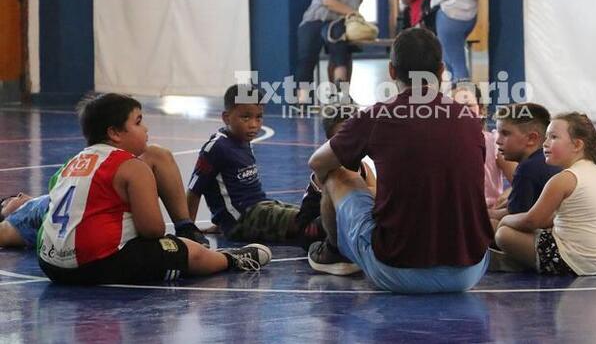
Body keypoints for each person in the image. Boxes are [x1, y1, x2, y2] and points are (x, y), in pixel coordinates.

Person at [307, 28, 493, 293]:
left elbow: (318, 163)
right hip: (470, 269)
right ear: (441, 70)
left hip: (396, 269)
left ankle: (334, 253)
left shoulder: (376, 116)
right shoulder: (469, 119)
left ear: (392, 72)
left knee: (337, 175)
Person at [37, 93, 271, 285]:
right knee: (187, 250)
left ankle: (186, 228)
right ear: (114, 133)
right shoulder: (131, 166)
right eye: (138, 122)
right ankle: (229, 259)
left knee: (157, 156)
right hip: (97, 265)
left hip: (51, 267)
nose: (146, 129)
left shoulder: (70, 164)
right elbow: (152, 230)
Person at [1, 144, 211, 249]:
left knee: (158, 155)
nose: (18, 195)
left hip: (87, 199)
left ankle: (185, 226)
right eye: (7, 201)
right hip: (73, 216)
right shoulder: (23, 215)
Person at [495, 112, 596, 276]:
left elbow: (531, 221)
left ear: (577, 145)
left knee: (504, 234)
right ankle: (523, 259)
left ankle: (519, 261)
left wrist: (505, 220)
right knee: (544, 231)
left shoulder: (564, 179)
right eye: (546, 137)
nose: (545, 143)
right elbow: (552, 219)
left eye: (553, 137)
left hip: (577, 263)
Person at [187, 85, 320, 246]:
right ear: (226, 117)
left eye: (259, 117)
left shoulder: (244, 140)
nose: (253, 125)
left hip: (259, 208)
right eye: (246, 117)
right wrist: (188, 231)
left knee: (312, 215)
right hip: (242, 220)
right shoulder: (217, 147)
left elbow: (231, 192)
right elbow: (194, 191)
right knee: (309, 223)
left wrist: (220, 221)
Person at [296, 105, 376, 274]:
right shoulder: (327, 166)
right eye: (343, 137)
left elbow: (376, 195)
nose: (350, 142)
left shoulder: (364, 167)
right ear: (330, 142)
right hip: (314, 225)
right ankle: (334, 251)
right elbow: (370, 193)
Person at [295, 0, 365, 104]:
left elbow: (350, 16)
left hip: (335, 25)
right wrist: (354, 13)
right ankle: (302, 100)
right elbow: (329, 2)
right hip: (315, 21)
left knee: (341, 53)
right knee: (307, 59)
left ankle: (341, 93)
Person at [490, 103, 561, 230]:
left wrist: (487, 214)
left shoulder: (527, 169)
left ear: (531, 138)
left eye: (505, 134)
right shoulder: (549, 160)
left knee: (494, 226)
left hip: (552, 237)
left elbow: (516, 215)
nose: (498, 140)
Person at [452, 83, 516, 217]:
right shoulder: (441, 144)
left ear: (480, 110)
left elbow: (520, 181)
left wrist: (508, 193)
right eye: (454, 107)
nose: (461, 112)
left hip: (489, 213)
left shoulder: (495, 142)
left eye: (468, 106)